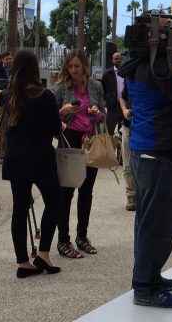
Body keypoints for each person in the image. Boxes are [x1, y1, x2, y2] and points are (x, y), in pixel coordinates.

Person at [118, 24, 172, 309]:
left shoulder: (141, 64)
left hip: (151, 152)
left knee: (149, 220)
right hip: (160, 153)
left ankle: (149, 276)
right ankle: (145, 287)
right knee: (158, 224)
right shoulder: (158, 66)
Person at [2, 50, 62, 279]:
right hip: (40, 158)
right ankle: (44, 254)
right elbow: (55, 129)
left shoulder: (9, 94)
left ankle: (23, 262)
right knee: (53, 201)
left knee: (19, 208)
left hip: (16, 158)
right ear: (35, 69)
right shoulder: (44, 96)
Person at [51, 49, 106, 259]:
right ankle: (63, 240)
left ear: (84, 66)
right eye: (70, 66)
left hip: (90, 141)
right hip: (70, 140)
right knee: (66, 192)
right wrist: (63, 112)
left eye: (77, 66)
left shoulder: (95, 86)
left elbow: (103, 115)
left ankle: (82, 236)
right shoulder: (60, 87)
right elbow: (49, 115)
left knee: (86, 191)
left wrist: (97, 113)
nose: (73, 70)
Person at [119, 85, 136, 211]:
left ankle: (143, 196)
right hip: (128, 126)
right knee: (128, 164)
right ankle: (131, 197)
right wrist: (124, 110)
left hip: (146, 126)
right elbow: (122, 98)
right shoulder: (129, 77)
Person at [101, 52, 124, 135]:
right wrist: (104, 100)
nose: (118, 60)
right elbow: (102, 89)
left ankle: (120, 147)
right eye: (116, 59)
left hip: (124, 106)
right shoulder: (107, 73)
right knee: (109, 130)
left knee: (123, 131)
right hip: (112, 106)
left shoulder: (126, 73)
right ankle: (108, 147)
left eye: (120, 58)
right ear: (112, 60)